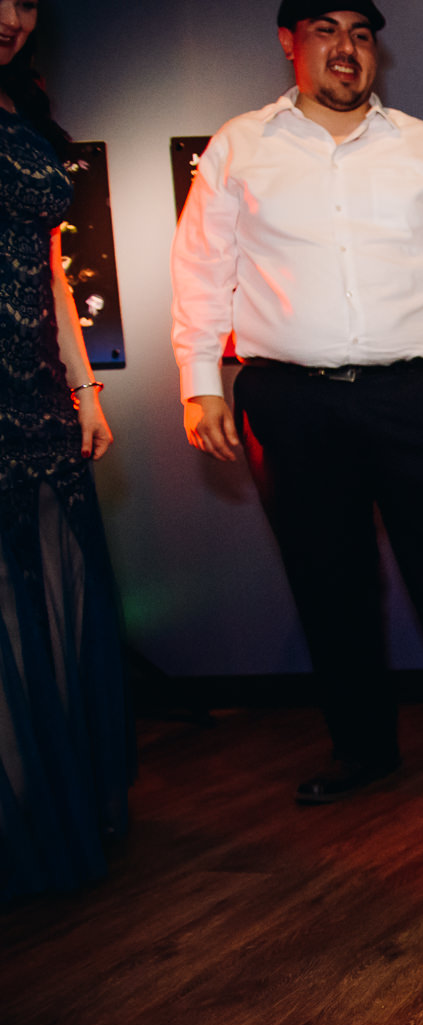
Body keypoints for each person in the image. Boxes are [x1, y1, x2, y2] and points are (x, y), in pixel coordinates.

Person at [171, 2, 423, 803]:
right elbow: (202, 270)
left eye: (360, 33)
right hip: (290, 396)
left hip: (420, 393)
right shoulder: (238, 147)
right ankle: (362, 747)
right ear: (290, 42)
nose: (345, 49)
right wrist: (198, 384)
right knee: (329, 580)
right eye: (325, 30)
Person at [0, 0, 133, 902]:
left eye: (25, 1)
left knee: (54, 604)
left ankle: (57, 806)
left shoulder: (27, 111)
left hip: (38, 390)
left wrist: (85, 388)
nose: (12, 17)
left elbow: (51, 269)